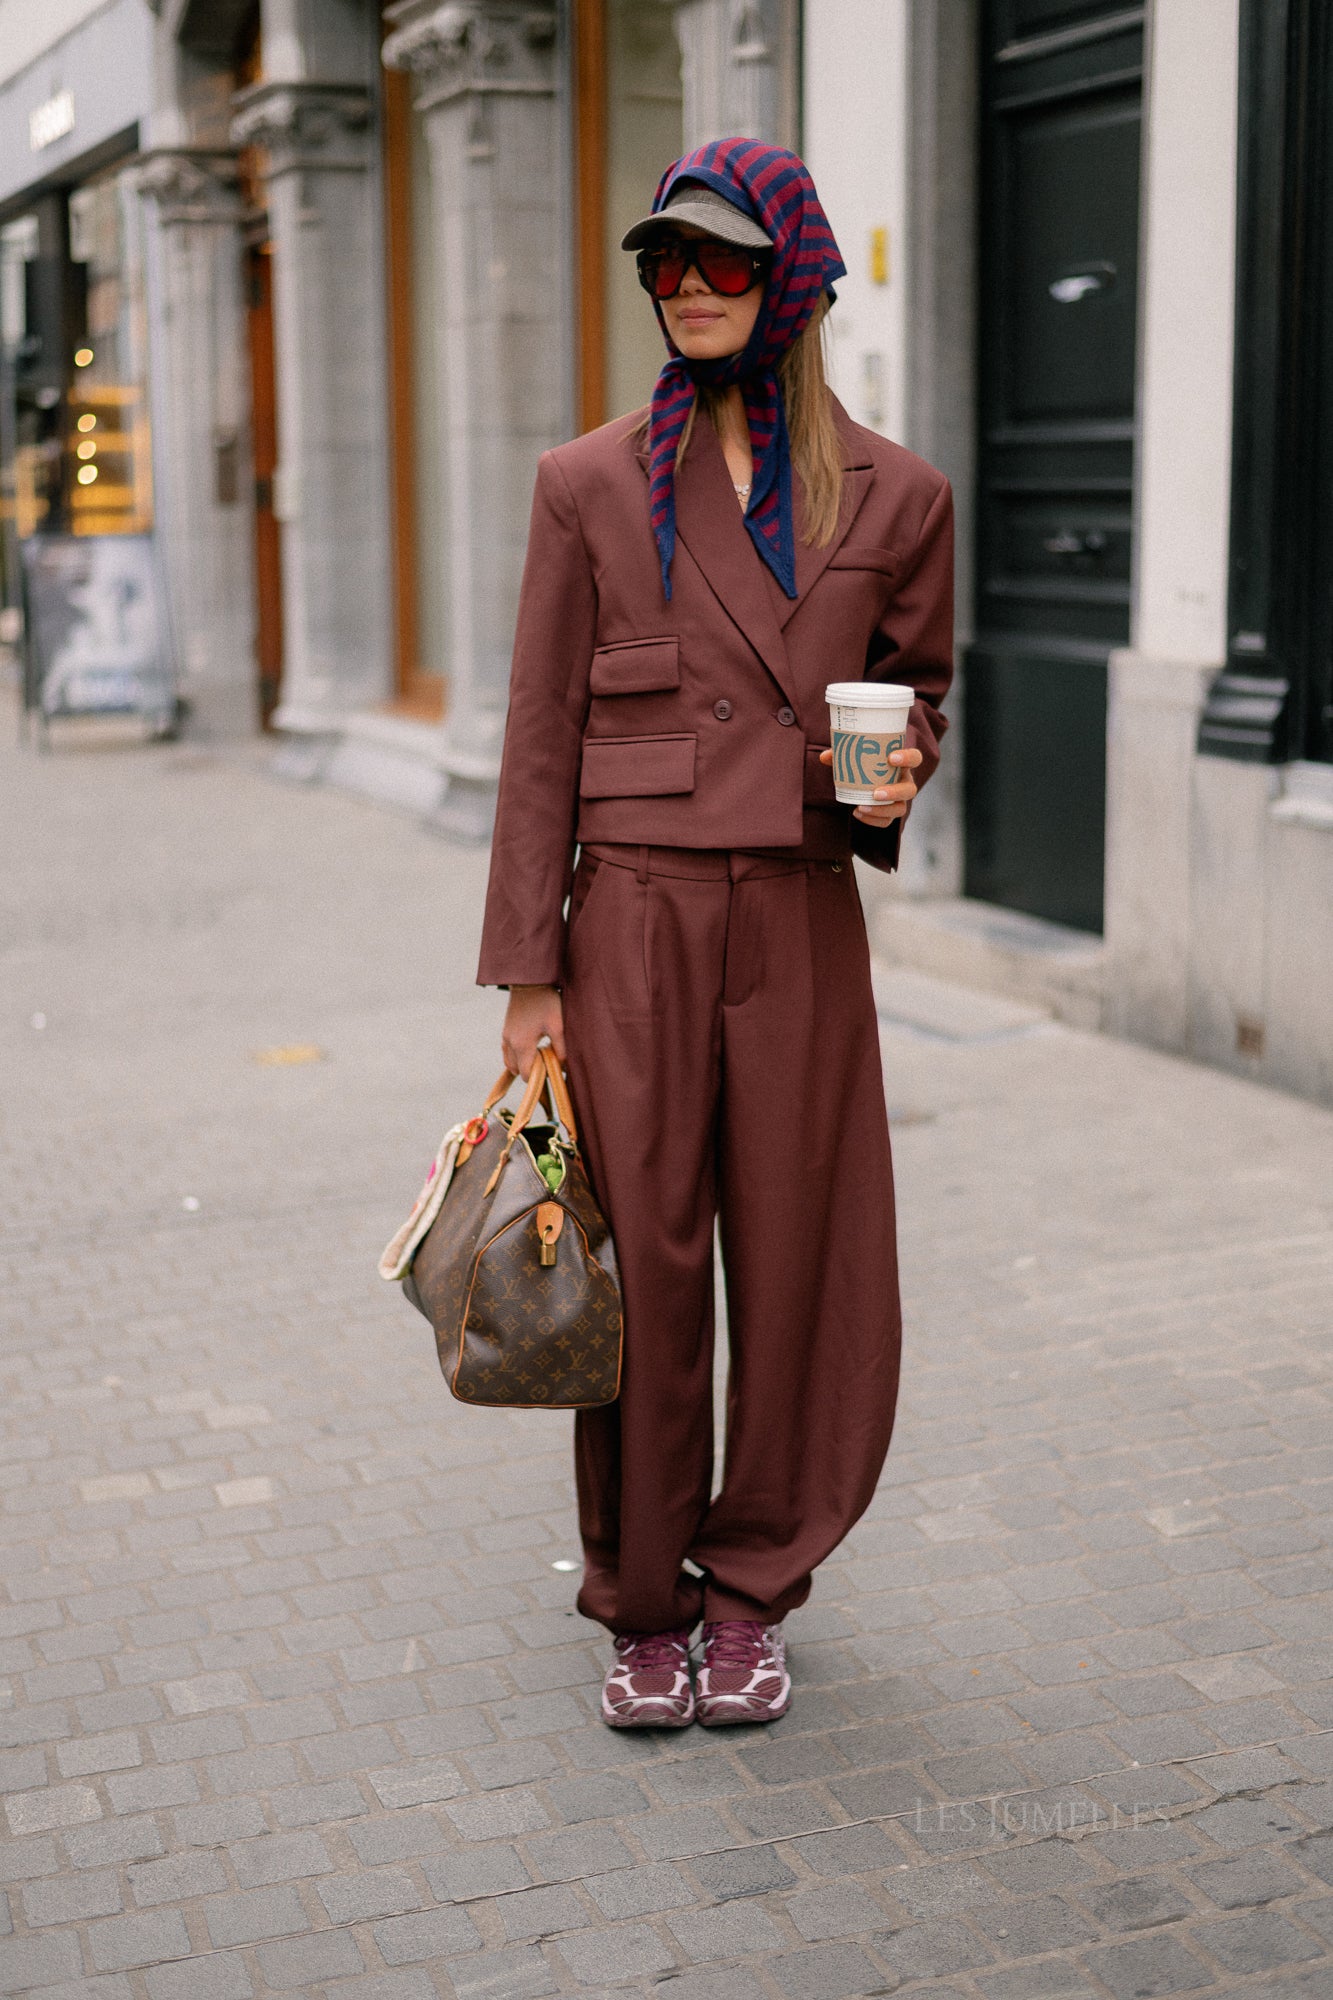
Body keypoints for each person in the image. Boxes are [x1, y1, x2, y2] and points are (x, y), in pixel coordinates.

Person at [478, 138, 953, 1729]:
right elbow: (537, 734)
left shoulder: (900, 493)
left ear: (790, 279)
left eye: (722, 262)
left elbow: (921, 689)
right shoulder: (587, 482)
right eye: (663, 262)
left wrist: (887, 759)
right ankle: (641, 1599)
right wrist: (527, 973)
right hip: (631, 920)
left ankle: (751, 1589)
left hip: (801, 913)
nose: (685, 287)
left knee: (807, 1257)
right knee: (646, 1264)